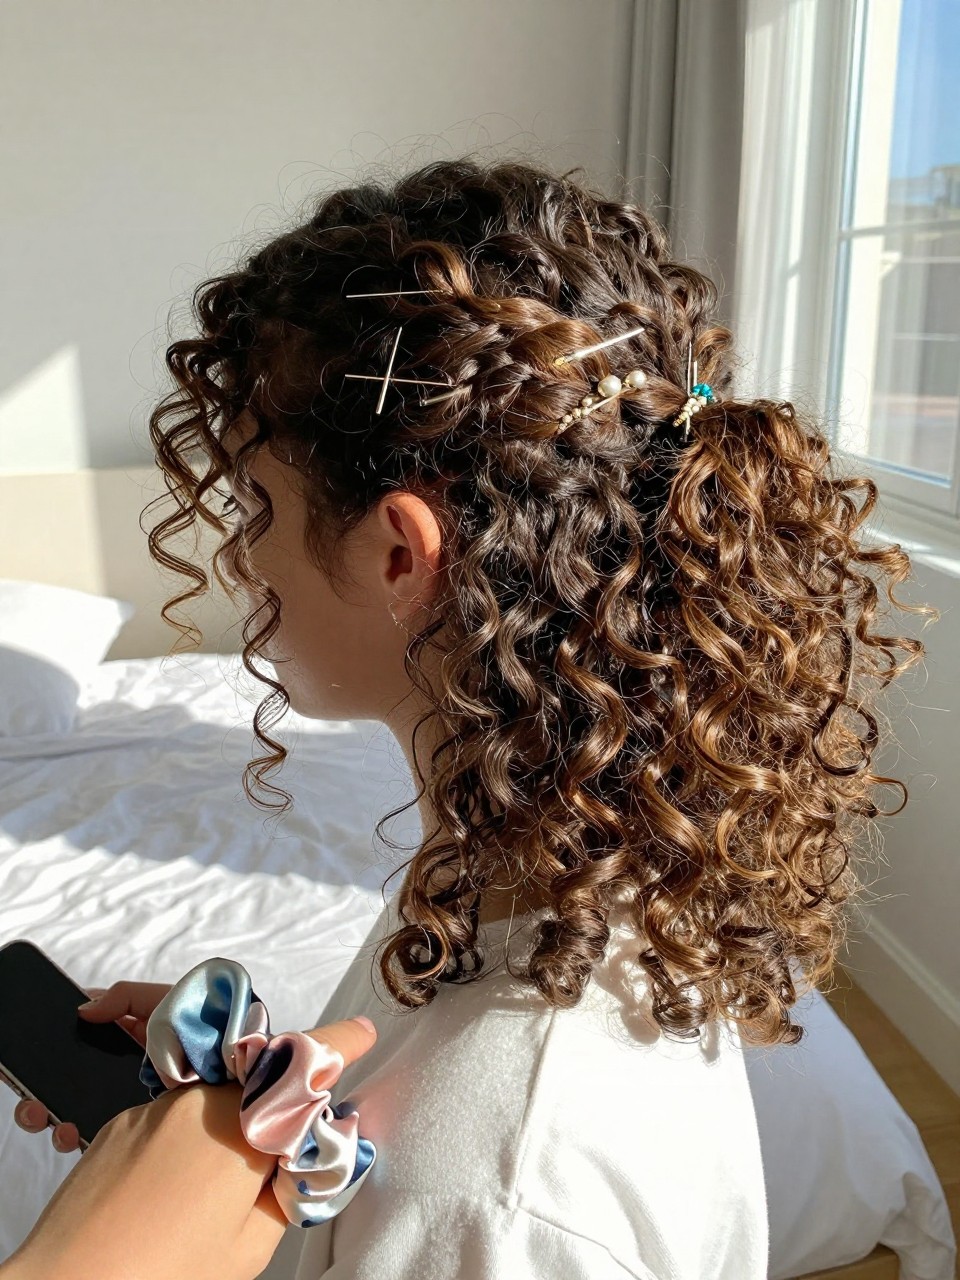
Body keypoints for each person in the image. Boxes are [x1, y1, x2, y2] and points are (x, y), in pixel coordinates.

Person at [10, 156, 933, 1279]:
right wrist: (266, 1101)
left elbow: (468, 1161)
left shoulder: (496, 1201)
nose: (239, 554)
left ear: (400, 552)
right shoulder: (546, 869)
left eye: (257, 499)